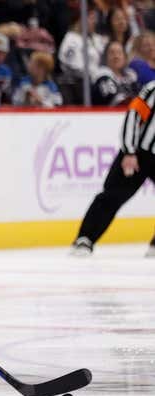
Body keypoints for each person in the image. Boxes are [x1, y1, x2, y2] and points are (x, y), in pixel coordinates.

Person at [71, 80, 155, 257]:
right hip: (140, 153)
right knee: (112, 195)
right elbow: (134, 114)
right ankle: (85, 238)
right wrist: (129, 151)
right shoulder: (153, 88)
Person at [92, 40, 140, 106]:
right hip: (109, 114)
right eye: (112, 53)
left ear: (125, 57)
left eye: (119, 53)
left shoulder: (130, 75)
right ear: (105, 57)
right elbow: (115, 101)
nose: (116, 56)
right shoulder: (102, 75)